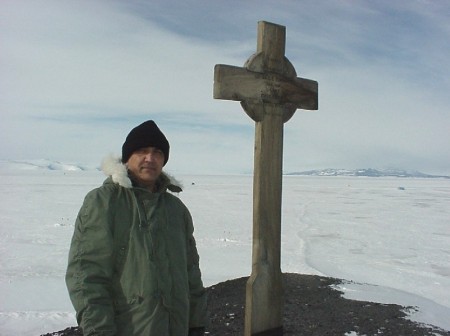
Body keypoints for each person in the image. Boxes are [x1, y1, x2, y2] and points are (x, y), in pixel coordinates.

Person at [66, 120, 208, 336]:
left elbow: (191, 272)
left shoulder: (175, 209)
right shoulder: (105, 202)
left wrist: (196, 323)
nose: (150, 158)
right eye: (142, 151)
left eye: (157, 152)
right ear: (127, 158)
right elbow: (86, 274)